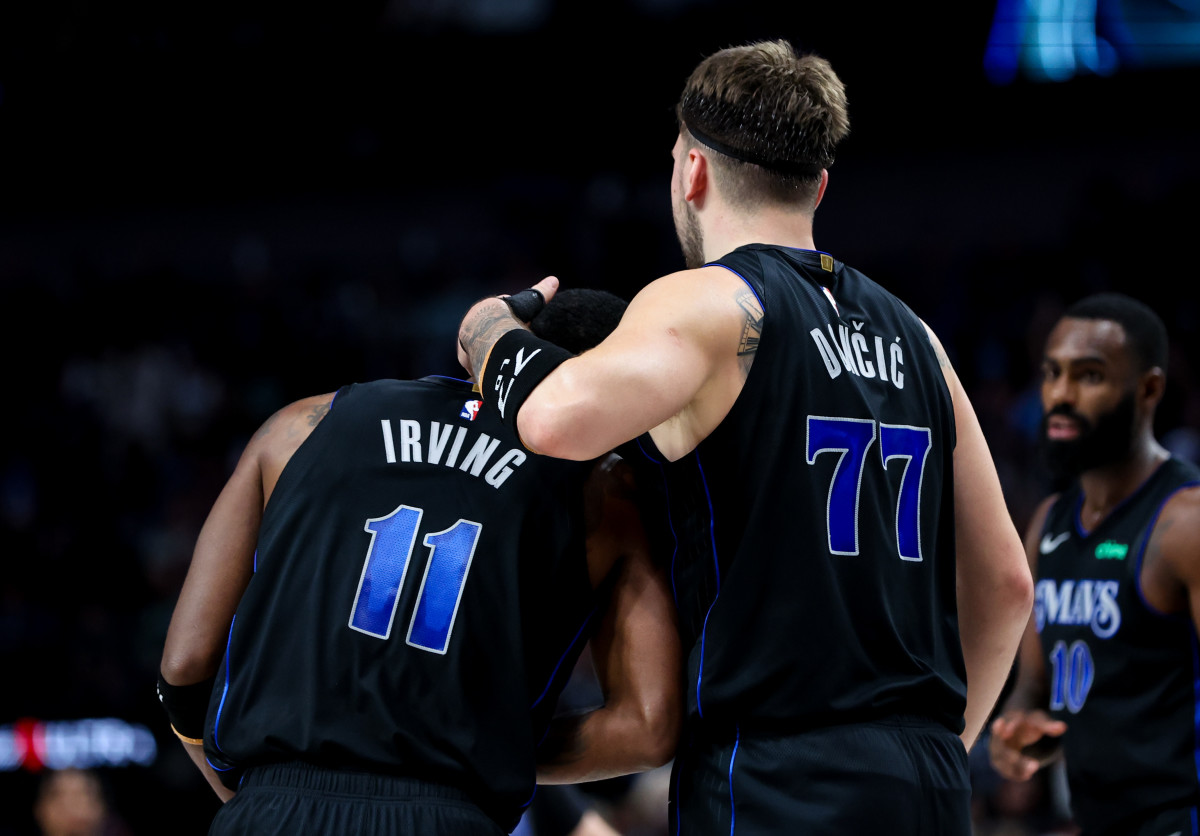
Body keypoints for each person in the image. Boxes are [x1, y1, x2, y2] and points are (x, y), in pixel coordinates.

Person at [456, 38, 1034, 835]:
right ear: (818, 185)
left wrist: (487, 331)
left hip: (775, 773)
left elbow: (555, 417)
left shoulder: (712, 300)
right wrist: (940, 743)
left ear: (692, 170)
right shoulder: (918, 337)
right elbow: (1007, 583)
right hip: (925, 778)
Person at [158, 289, 682, 835]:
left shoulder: (302, 423)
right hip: (446, 813)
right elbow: (647, 729)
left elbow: (185, 667)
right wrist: (476, 743)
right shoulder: (607, 491)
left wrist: (250, 797)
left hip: (274, 803)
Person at [988, 292, 1200, 836]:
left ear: (1149, 389)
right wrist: (1020, 731)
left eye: (1089, 376)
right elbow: (1034, 687)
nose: (1060, 395)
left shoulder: (1185, 524)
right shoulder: (1050, 523)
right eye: (1052, 373)